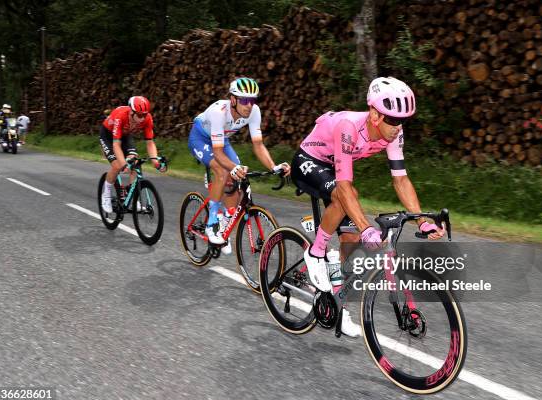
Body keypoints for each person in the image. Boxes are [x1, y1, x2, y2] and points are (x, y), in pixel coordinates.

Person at [291, 77, 445, 337]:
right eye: (393, 120)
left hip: (333, 168)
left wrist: (422, 220)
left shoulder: (394, 134)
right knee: (347, 197)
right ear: (374, 114)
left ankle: (336, 304)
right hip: (309, 161)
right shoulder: (348, 127)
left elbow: (401, 179)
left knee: (349, 240)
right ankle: (316, 252)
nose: (398, 127)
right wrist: (366, 228)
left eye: (402, 121)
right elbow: (344, 186)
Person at [187, 77, 290, 253]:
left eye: (252, 100)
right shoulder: (219, 112)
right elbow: (218, 153)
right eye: (244, 100)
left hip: (221, 140)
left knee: (238, 176)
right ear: (233, 100)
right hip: (200, 138)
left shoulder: (254, 111)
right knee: (222, 171)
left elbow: (258, 145)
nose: (249, 105)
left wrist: (273, 167)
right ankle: (212, 224)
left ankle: (224, 222)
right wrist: (231, 167)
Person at [99, 96, 166, 213]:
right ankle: (106, 195)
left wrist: (155, 161)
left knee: (135, 163)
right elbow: (116, 145)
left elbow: (150, 142)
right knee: (117, 166)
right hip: (108, 136)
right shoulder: (121, 116)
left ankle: (134, 199)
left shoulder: (147, 119)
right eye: (139, 115)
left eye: (144, 115)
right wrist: (123, 163)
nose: (142, 118)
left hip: (125, 135)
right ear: (131, 111)